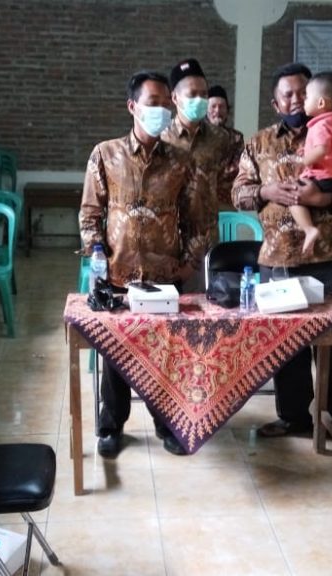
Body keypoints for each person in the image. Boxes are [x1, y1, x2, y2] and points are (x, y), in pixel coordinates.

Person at [232, 63, 332, 443]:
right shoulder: (259, 143)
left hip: (330, 259)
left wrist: (328, 199)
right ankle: (293, 417)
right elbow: (238, 193)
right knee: (286, 347)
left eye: (303, 92)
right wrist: (266, 192)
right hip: (279, 260)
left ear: (316, 96)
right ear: (276, 103)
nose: (296, 100)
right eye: (288, 95)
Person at [79, 70, 209, 458]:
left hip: (165, 276)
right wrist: (97, 256)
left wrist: (188, 264)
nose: (162, 110)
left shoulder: (181, 161)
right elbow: (90, 213)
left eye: (167, 103)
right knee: (115, 354)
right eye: (154, 103)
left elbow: (200, 221)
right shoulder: (106, 154)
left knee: (164, 354)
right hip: (117, 274)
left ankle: (167, 424)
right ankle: (111, 426)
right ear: (132, 106)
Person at [293, 71, 332, 257]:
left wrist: (303, 161)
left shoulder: (321, 124)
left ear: (321, 103)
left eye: (307, 97)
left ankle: (309, 229)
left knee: (292, 197)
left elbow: (322, 149)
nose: (303, 101)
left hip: (325, 178)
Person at [162, 58, 237, 217]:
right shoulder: (161, 138)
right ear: (175, 98)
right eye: (192, 94)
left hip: (207, 228)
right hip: (169, 228)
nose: (199, 100)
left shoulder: (220, 138)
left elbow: (228, 186)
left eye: (204, 94)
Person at [206, 84, 245, 170]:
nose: (217, 111)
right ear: (206, 110)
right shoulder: (197, 135)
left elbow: (238, 168)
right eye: (213, 106)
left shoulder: (236, 138)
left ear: (227, 110)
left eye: (221, 106)